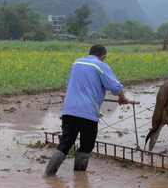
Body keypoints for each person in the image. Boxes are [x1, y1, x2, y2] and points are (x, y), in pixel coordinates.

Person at [44, 45, 132, 176]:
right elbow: (115, 87)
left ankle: (48, 175)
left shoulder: (77, 63)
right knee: (86, 146)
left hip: (69, 111)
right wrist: (122, 98)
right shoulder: (100, 65)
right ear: (103, 56)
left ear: (89, 53)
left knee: (65, 143)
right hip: (88, 113)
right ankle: (79, 178)